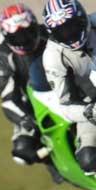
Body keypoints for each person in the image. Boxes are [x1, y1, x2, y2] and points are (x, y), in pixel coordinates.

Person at [0, 4, 51, 170]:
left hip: (67, 88)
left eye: (27, 34)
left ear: (34, 27)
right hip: (34, 108)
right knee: (22, 151)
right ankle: (55, 161)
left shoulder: (49, 33)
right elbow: (9, 101)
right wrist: (28, 121)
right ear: (6, 36)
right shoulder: (2, 59)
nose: (24, 41)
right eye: (17, 38)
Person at [42, 0, 96, 174]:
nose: (70, 34)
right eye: (62, 32)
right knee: (88, 158)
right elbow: (66, 105)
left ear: (82, 18)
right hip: (92, 105)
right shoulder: (53, 57)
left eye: (72, 26)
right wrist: (89, 111)